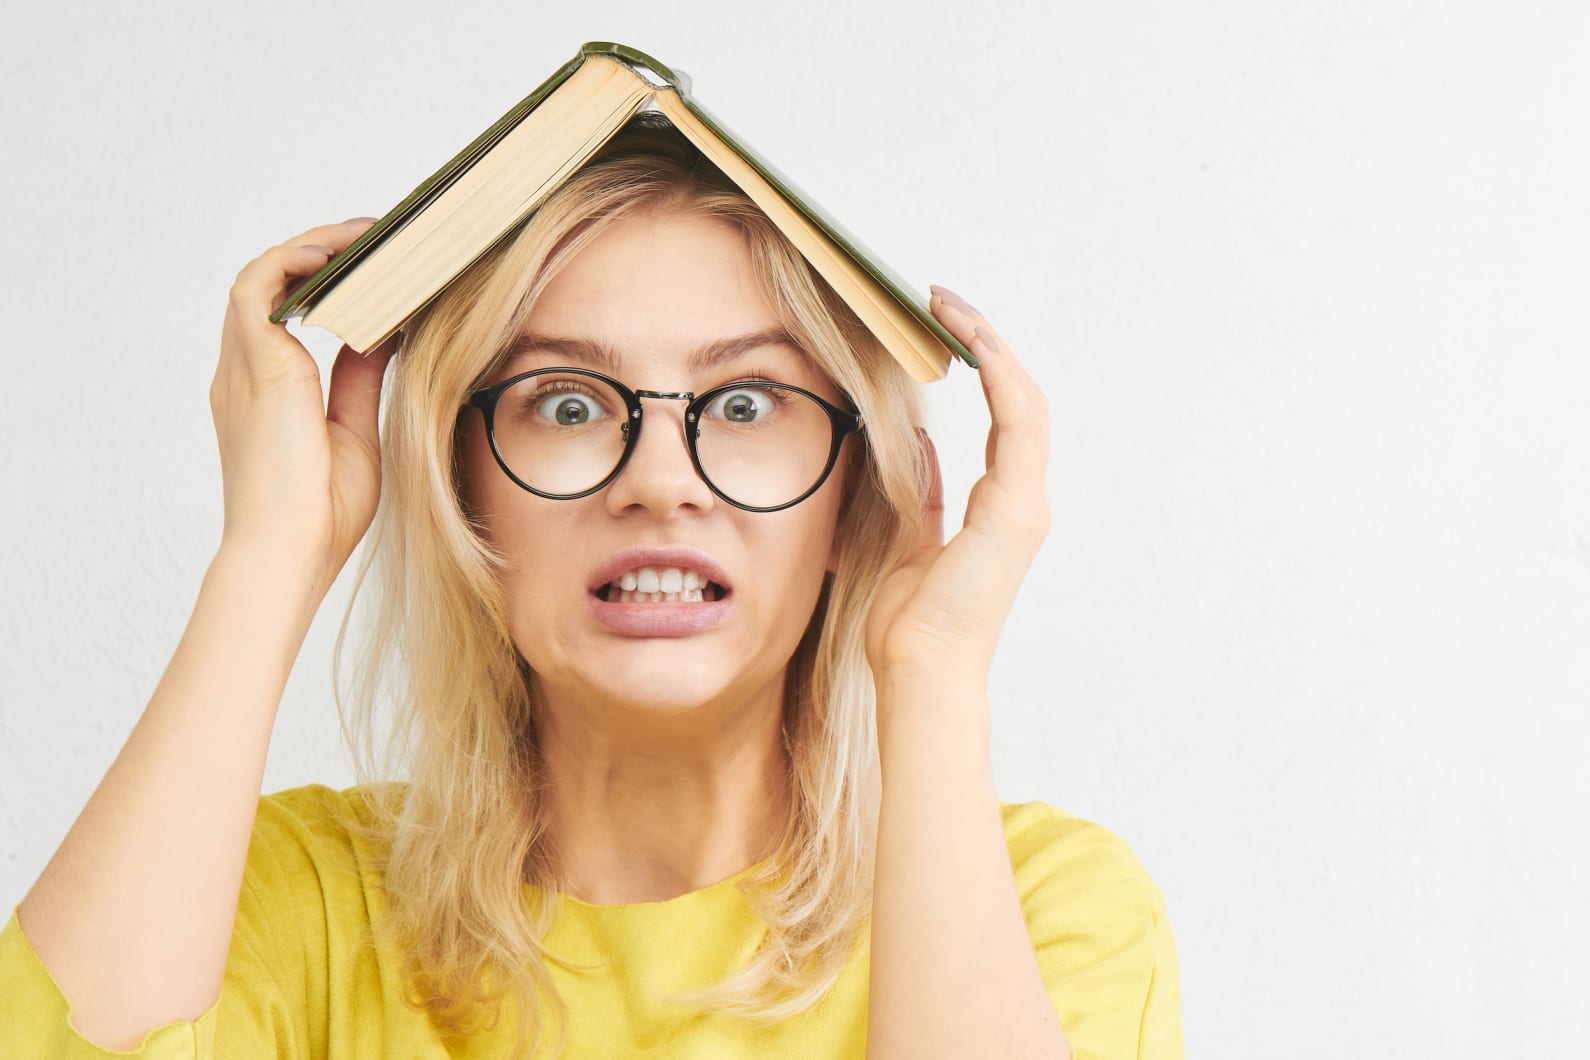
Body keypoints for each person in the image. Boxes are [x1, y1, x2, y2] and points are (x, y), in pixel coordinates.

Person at [0, 113, 1183, 1058]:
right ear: (465, 491)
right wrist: (270, 552)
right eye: (566, 404)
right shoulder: (291, 896)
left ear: (853, 497)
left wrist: (928, 676)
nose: (661, 482)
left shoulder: (1044, 904)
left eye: (747, 403)